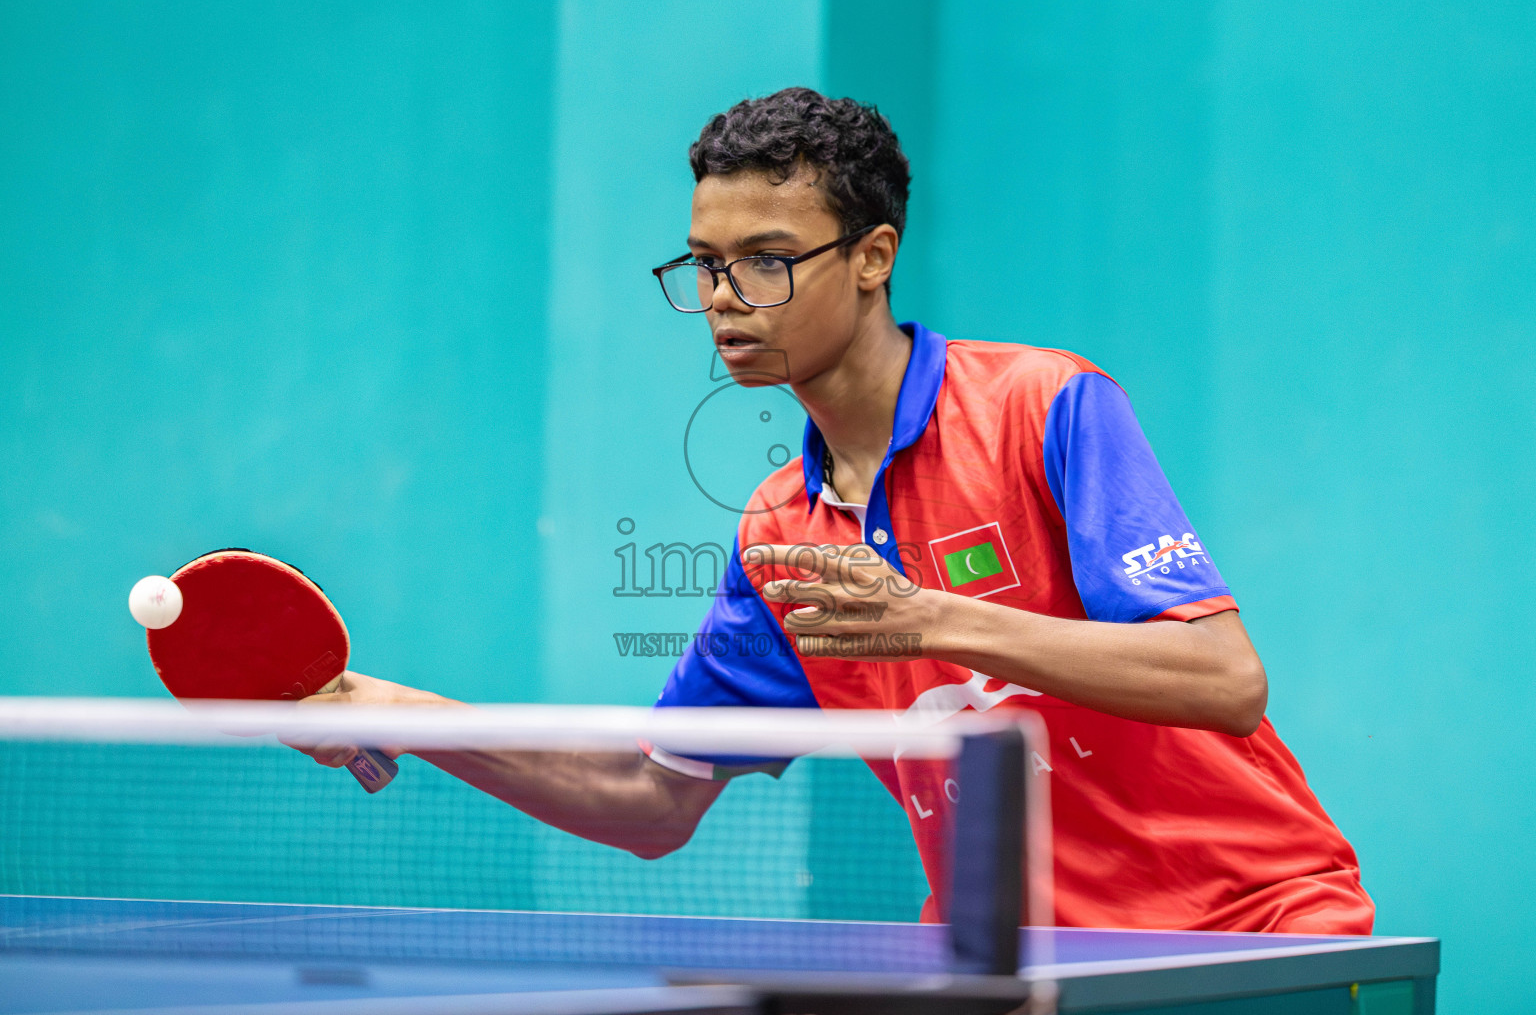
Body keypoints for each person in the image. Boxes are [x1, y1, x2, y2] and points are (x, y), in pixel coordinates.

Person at [297, 87, 1373, 934]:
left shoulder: (1042, 407)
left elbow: (1225, 681)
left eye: (767, 260)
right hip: (1014, 960)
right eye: (708, 264)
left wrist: (937, 620)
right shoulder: (779, 534)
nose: (724, 295)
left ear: (873, 257)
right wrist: (398, 706)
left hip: (1252, 930)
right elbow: (653, 799)